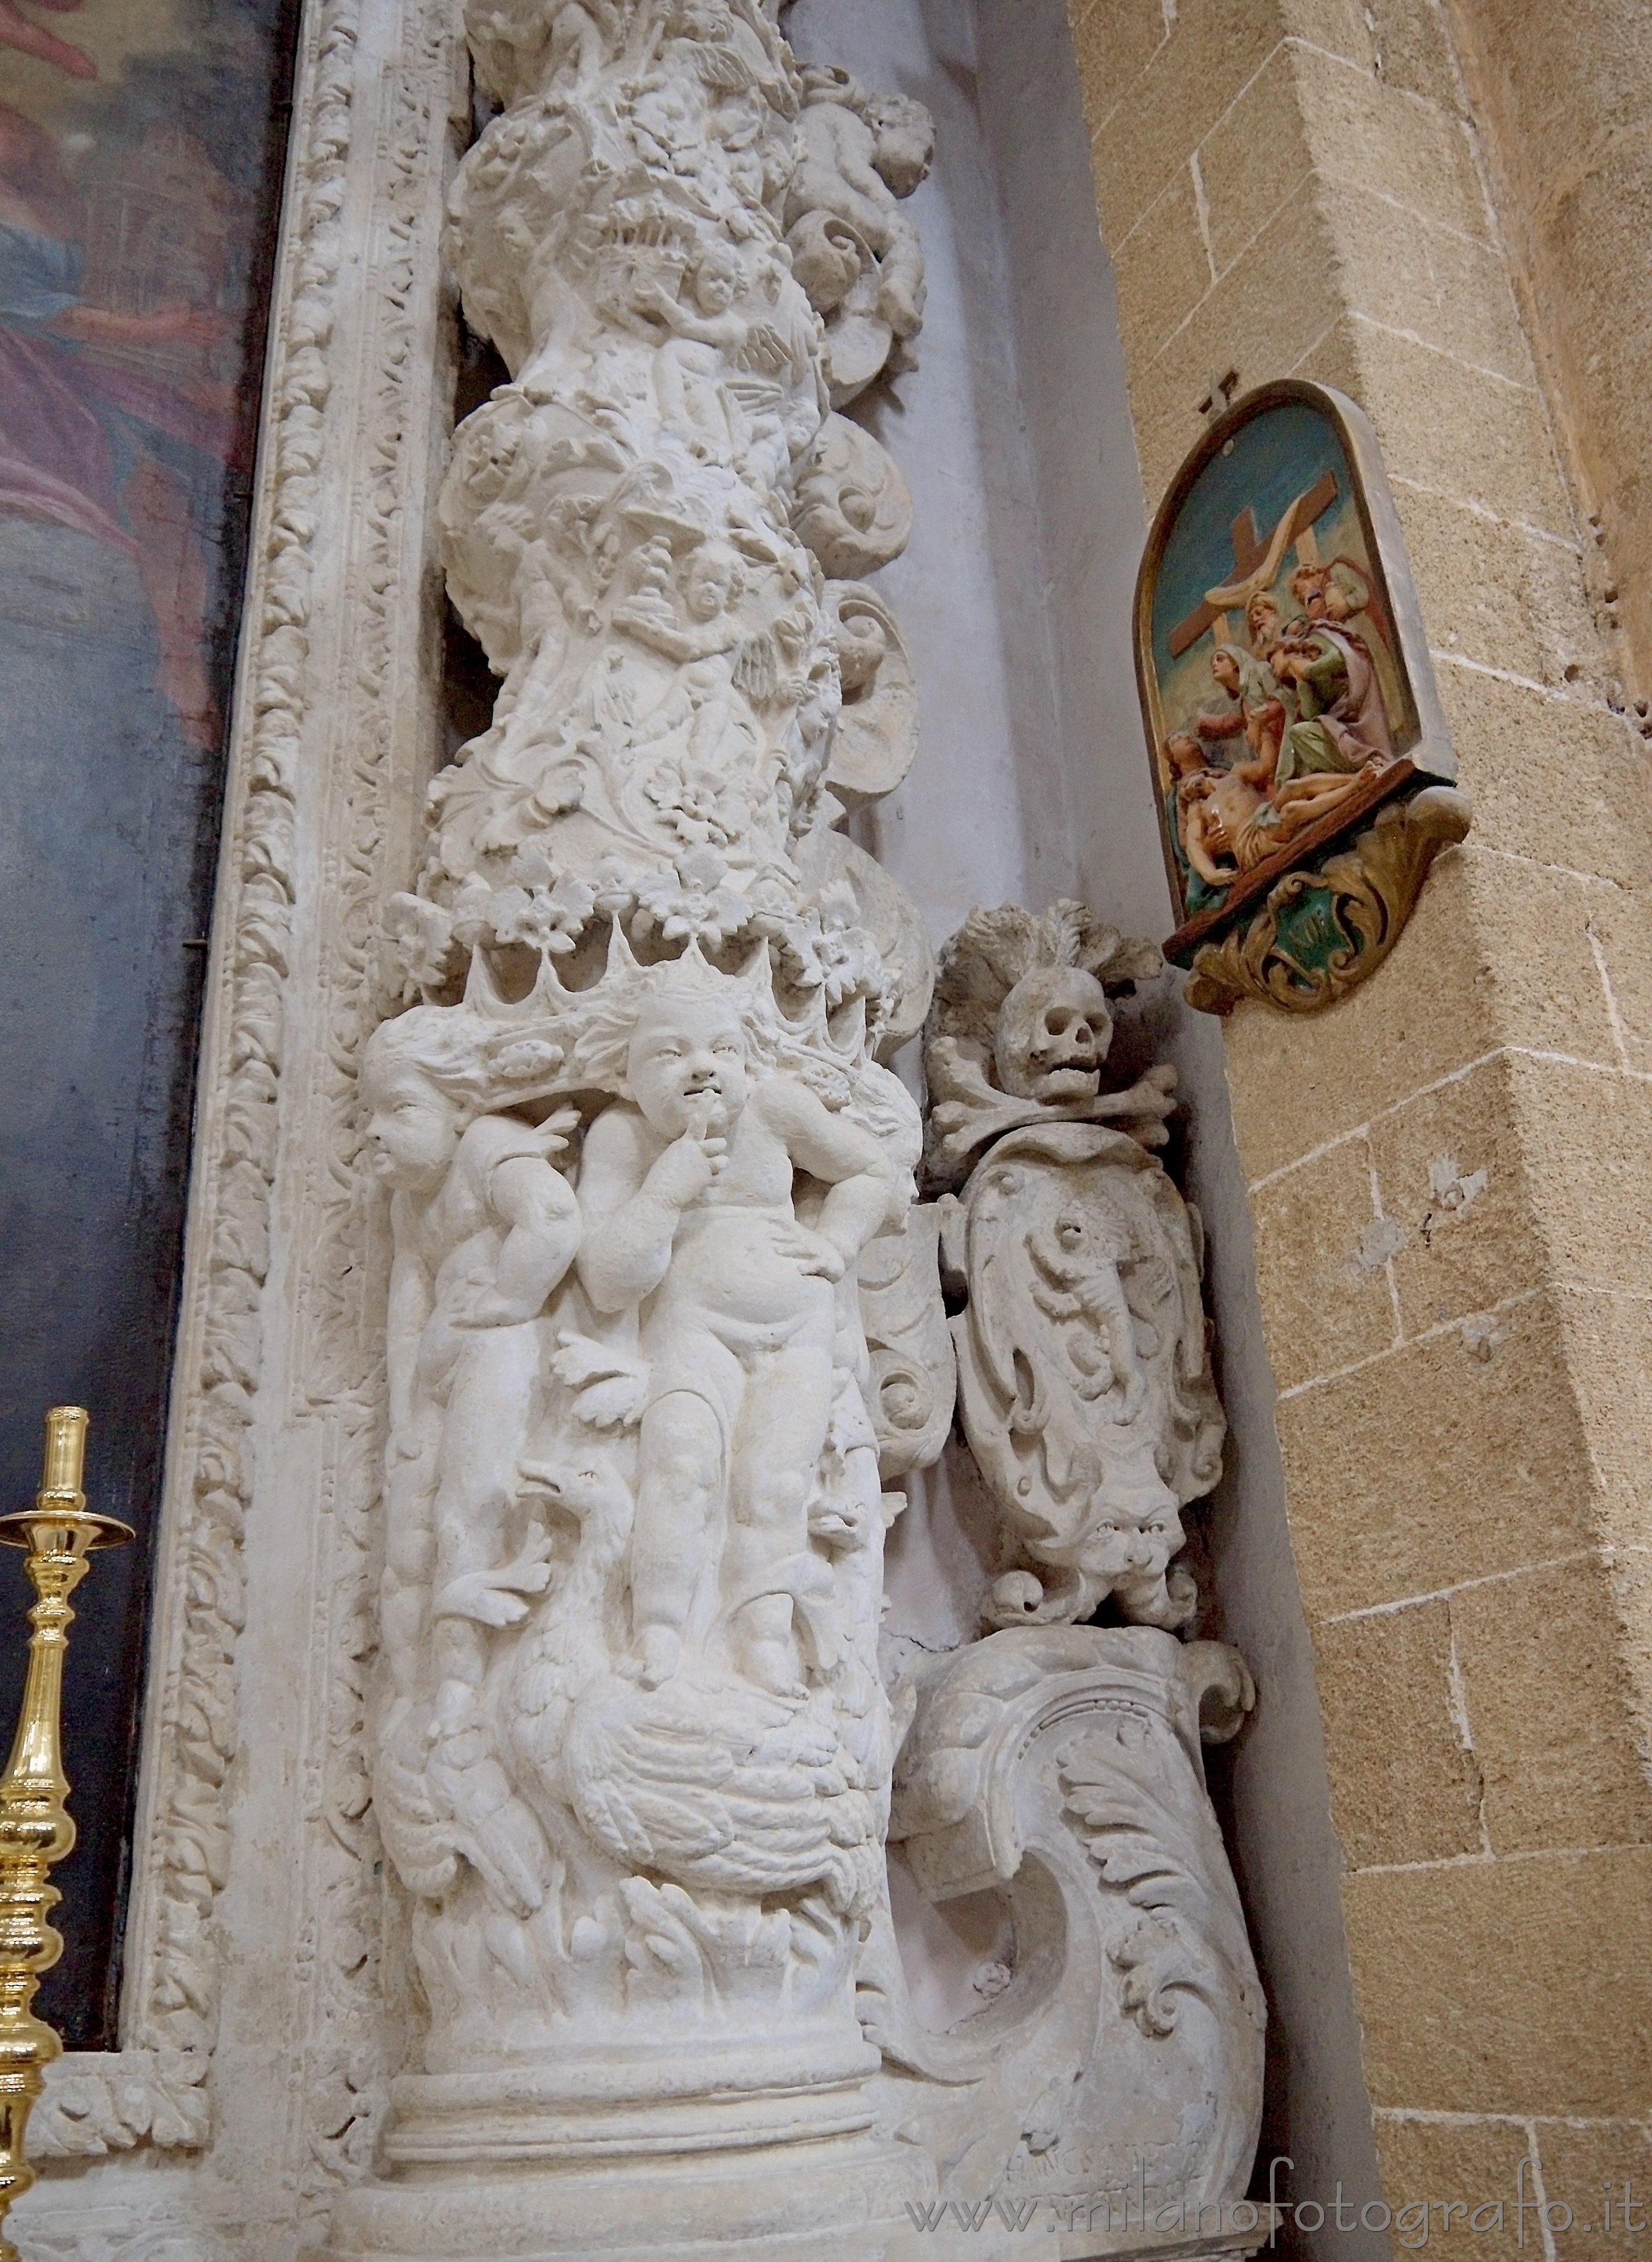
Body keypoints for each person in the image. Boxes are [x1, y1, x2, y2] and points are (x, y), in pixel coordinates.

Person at [575, 964, 895, 1697]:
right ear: (626, 1076)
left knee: (776, 1487)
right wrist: (666, 1189)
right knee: (680, 1470)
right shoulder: (625, 1139)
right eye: (669, 1053)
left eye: (721, 1048)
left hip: (796, 1332)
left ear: (748, 1060)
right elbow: (607, 1278)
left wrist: (835, 1245)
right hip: (693, 1331)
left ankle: (762, 1639)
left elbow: (870, 1174)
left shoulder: (775, 1111)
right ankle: (658, 1628)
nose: (701, 1067)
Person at [361, 1009, 581, 1730]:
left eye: (402, 1108)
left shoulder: (487, 1145)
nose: (376, 1131)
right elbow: (407, 1299)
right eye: (372, 1113)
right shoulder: (413, 1204)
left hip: (497, 1353)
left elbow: (551, 1217)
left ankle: (467, 1686)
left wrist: (513, 1298)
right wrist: (407, 1409)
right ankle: (430, 1672)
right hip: (440, 1368)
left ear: (458, 1107)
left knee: (478, 1501)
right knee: (422, 1519)